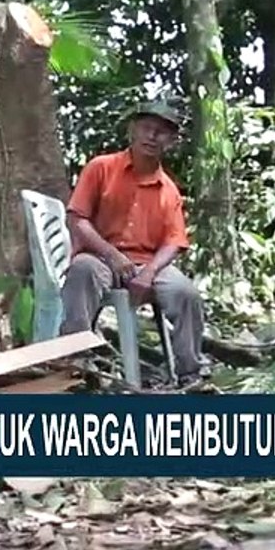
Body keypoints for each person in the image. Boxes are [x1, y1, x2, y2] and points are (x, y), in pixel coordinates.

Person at [59, 100, 207, 383]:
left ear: (171, 141)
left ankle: (190, 374)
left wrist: (150, 273)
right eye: (146, 129)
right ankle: (76, 363)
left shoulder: (169, 190)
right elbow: (77, 219)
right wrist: (112, 255)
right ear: (132, 131)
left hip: (148, 264)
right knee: (82, 271)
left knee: (186, 293)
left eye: (161, 132)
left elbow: (174, 240)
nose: (152, 137)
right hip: (100, 257)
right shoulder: (101, 167)